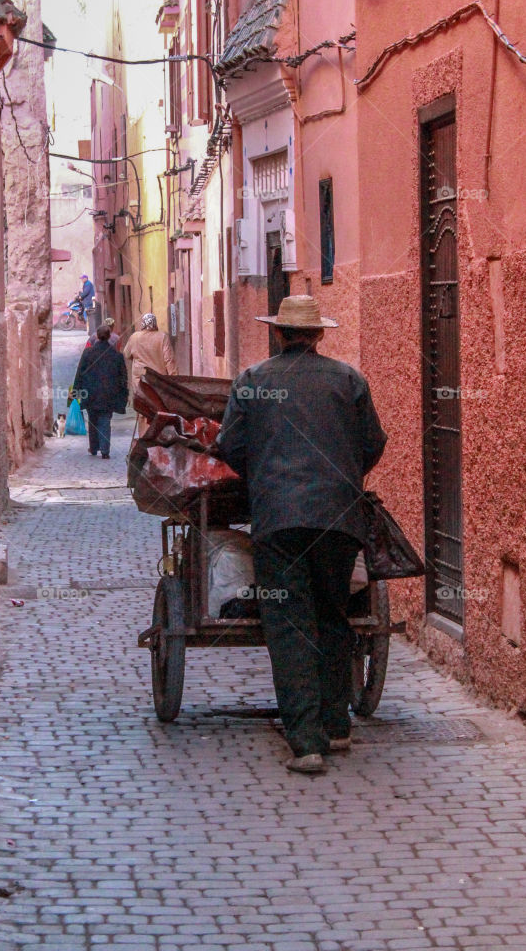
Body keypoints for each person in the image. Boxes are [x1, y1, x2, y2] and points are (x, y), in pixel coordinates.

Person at [214, 295, 387, 775]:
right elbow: (372, 442)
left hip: (280, 519)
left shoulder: (253, 382)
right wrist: (345, 477)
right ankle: (336, 725)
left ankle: (307, 741)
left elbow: (231, 445)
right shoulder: (349, 380)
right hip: (339, 519)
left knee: (290, 624)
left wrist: (264, 476)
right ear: (319, 335)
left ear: (278, 333)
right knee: (333, 616)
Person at [70, 323, 128, 458]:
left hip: (90, 392)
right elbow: (123, 377)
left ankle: (94, 447)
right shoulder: (116, 355)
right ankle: (105, 450)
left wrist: (76, 391)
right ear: (108, 337)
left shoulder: (88, 353)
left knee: (92, 419)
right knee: (105, 420)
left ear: (97, 336)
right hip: (109, 393)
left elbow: (80, 372)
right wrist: (123, 394)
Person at [123, 312, 177, 401]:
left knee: (142, 406)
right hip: (158, 380)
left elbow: (126, 354)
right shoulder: (162, 337)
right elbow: (169, 360)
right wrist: (174, 379)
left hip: (140, 380)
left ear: (143, 323)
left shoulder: (134, 337)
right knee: (158, 404)